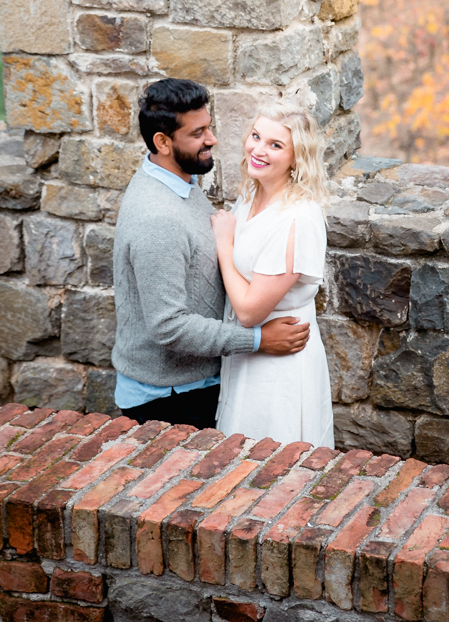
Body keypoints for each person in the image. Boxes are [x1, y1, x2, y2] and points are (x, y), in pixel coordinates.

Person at [111, 78, 310, 429]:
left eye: (210, 127)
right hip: (171, 399)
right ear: (163, 142)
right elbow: (169, 326)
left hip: (190, 384)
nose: (212, 139)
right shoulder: (158, 218)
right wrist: (259, 340)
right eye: (198, 132)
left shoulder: (179, 182)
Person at [211, 103, 334, 447]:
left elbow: (250, 310)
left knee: (272, 464)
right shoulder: (253, 193)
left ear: (297, 158)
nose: (258, 150)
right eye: (255, 136)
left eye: (275, 145)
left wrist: (224, 243)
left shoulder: (296, 218)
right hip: (247, 354)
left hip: (279, 363)